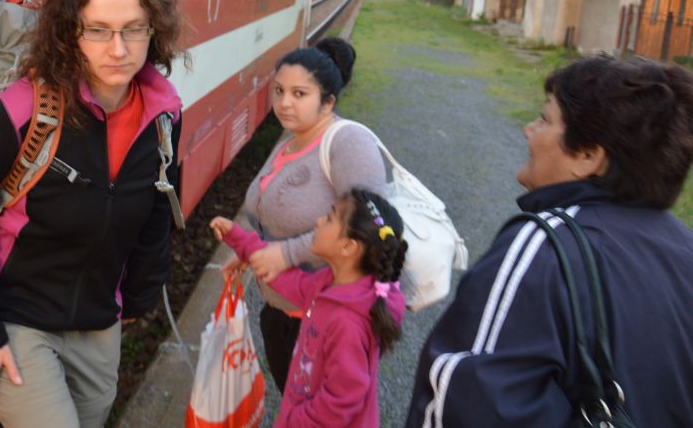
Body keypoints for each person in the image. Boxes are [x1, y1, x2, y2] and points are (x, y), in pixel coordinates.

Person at [0, 0, 187, 428]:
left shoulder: (164, 117)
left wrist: (138, 296)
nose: (118, 48)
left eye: (133, 29)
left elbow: (157, 212)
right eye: (98, 30)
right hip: (17, 322)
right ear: (71, 31)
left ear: (153, 29)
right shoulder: (17, 113)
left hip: (98, 325)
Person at [406, 54, 693, 427]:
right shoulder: (683, 247)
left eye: (545, 119)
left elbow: (461, 401)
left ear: (589, 156)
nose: (529, 129)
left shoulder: (543, 247)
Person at [221, 37, 387, 393]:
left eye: (299, 94)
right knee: (296, 408)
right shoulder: (289, 143)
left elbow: (369, 223)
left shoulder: (348, 143)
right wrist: (251, 251)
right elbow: (273, 216)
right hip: (282, 312)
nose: (284, 103)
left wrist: (286, 254)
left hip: (324, 322)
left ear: (328, 100)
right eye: (278, 90)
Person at [211, 188, 406, 427]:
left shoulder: (348, 322)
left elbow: (341, 401)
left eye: (331, 217)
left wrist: (295, 421)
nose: (320, 221)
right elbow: (287, 281)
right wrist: (239, 239)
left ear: (348, 247)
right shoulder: (329, 284)